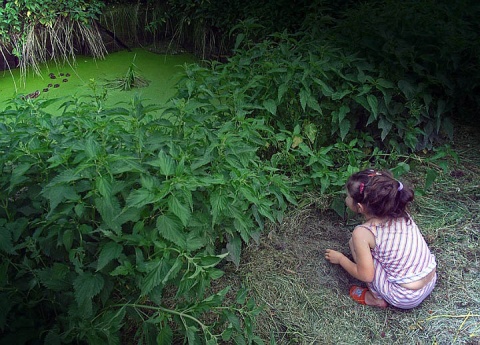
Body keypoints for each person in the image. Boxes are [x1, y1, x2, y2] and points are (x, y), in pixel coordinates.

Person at [325, 169, 437, 309]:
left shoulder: (363, 233)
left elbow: (366, 275)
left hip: (406, 296)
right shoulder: (400, 212)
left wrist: (341, 259)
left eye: (347, 196)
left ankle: (374, 298)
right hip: (430, 279)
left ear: (359, 207)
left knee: (354, 245)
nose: (346, 198)